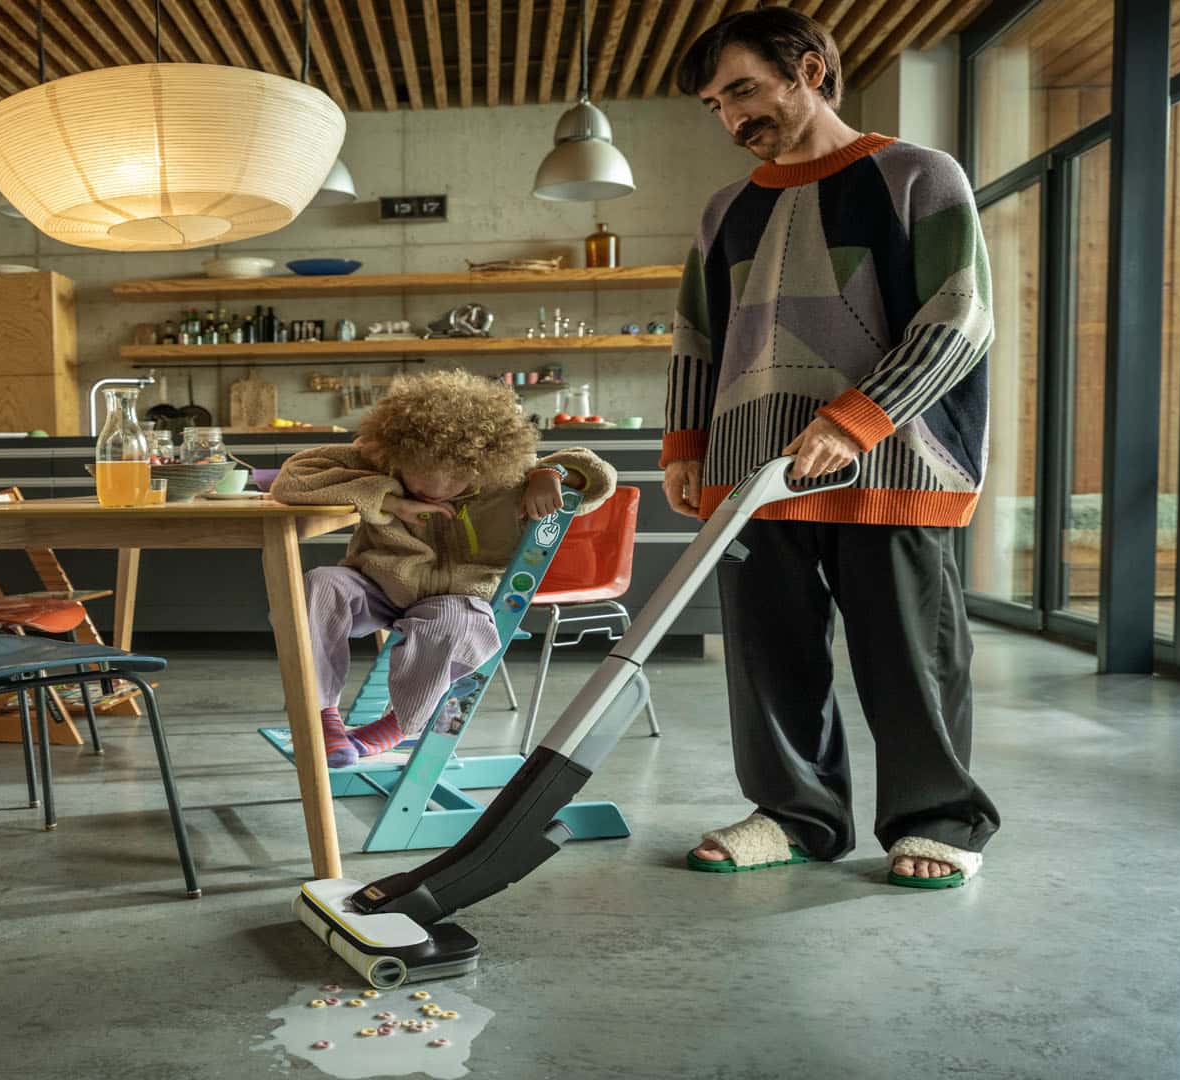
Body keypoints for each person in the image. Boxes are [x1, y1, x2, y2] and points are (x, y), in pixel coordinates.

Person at [665, 8, 998, 888]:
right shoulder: (724, 211)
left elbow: (960, 316)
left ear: (810, 70)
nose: (733, 118)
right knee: (769, 656)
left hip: (893, 460)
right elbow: (697, 335)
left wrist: (856, 420)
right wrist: (686, 444)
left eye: (743, 89)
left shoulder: (918, 176)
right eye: (716, 105)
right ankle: (794, 816)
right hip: (750, 470)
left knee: (909, 655)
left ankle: (937, 819)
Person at [270, 370, 616, 766]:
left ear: (484, 464)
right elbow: (292, 478)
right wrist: (390, 500)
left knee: (454, 623)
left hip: (459, 598)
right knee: (319, 584)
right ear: (397, 455)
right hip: (378, 585)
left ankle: (397, 726)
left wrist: (550, 473)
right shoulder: (380, 460)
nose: (436, 490)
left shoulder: (508, 477)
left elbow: (600, 475)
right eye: (418, 477)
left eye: (456, 480)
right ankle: (321, 716)